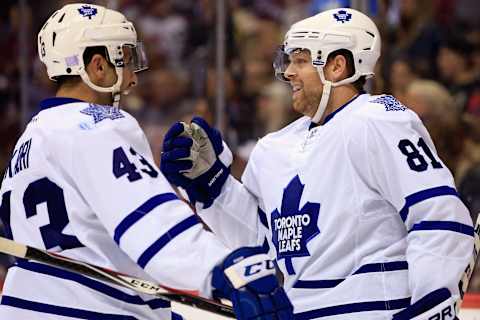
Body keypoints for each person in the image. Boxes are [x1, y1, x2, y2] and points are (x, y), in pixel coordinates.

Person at [161, 8, 476, 320]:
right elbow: (267, 244)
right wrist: (214, 187)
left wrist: (432, 303)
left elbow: (438, 215)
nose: (288, 73)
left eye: (300, 61)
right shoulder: (274, 147)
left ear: (337, 66)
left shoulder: (378, 121)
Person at [0, 3, 293, 320]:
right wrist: (221, 269)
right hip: (90, 306)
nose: (132, 78)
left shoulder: (31, 138)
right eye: (125, 60)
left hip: (29, 304)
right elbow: (145, 217)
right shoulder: (98, 126)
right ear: (97, 66)